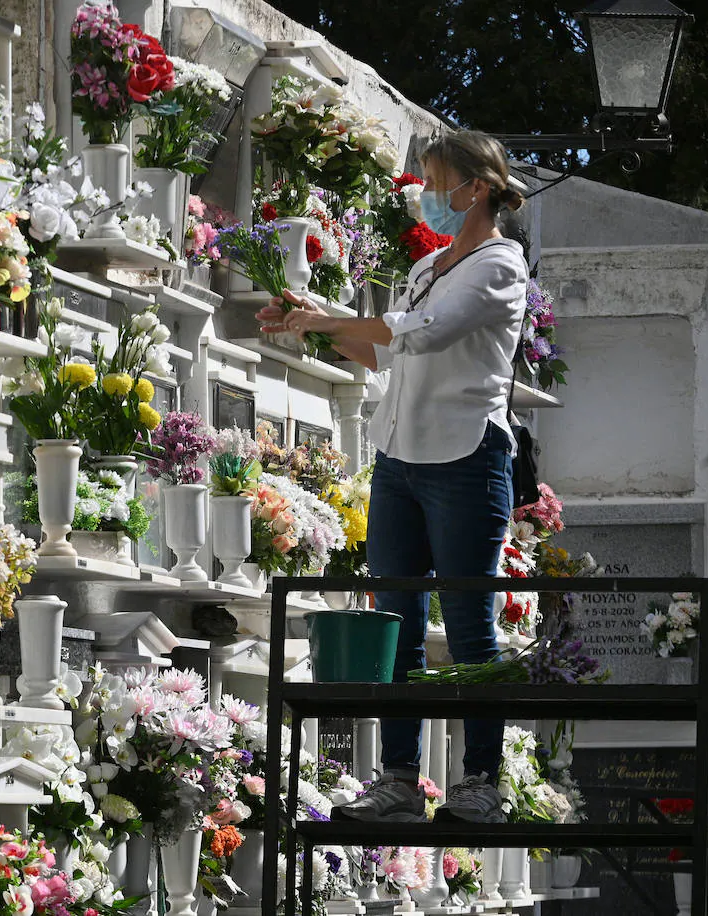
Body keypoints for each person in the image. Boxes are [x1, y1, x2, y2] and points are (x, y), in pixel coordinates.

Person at [256, 129, 529, 823]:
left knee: (471, 627)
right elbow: (388, 357)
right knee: (395, 623)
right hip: (402, 461)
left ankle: (480, 784)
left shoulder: (502, 265)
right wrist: (304, 326)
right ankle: (400, 779)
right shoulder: (428, 265)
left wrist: (322, 317)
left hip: (467, 459)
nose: (426, 197)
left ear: (478, 188)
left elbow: (427, 332)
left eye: (436, 183)